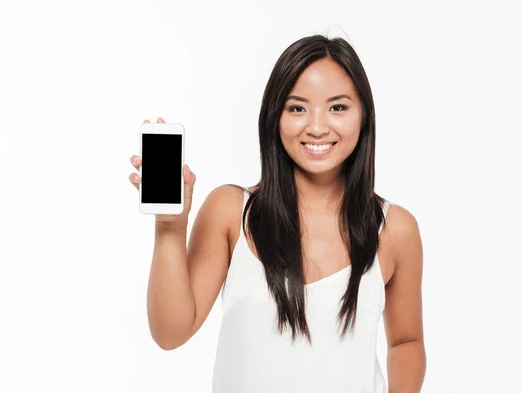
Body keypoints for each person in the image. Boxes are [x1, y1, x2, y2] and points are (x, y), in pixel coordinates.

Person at [129, 34, 426, 393]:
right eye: (297, 108)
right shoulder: (231, 212)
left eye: (338, 107)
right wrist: (170, 228)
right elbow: (170, 333)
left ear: (363, 115)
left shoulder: (394, 229)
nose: (317, 127)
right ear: (274, 116)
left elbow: (406, 341)